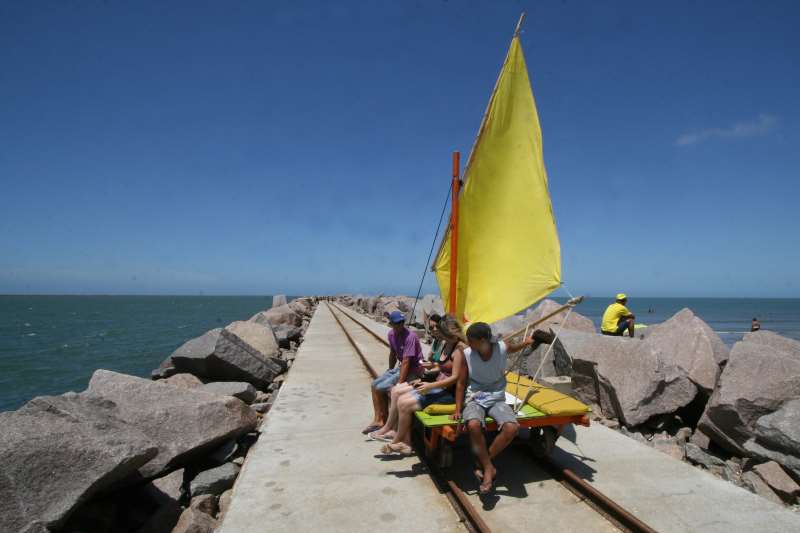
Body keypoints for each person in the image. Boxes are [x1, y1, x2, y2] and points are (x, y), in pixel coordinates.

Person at [454, 322, 541, 495]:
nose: (468, 344)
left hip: (496, 397)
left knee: (512, 428)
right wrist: (457, 409)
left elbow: (515, 348)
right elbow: (461, 383)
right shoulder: (467, 354)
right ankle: (489, 469)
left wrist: (529, 341)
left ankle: (483, 464)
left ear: (484, 340)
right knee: (472, 425)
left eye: (471, 341)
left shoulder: (502, 347)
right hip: (474, 397)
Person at [375, 314, 467, 455]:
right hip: (438, 387)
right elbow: (444, 367)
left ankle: (398, 441)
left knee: (404, 403)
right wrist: (432, 368)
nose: (436, 332)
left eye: (439, 330)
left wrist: (430, 386)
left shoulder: (459, 349)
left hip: (448, 394)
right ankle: (402, 440)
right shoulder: (446, 344)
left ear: (447, 332)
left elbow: (455, 378)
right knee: (400, 398)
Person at [362, 310, 423, 434]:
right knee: (374, 385)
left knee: (383, 387)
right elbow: (393, 353)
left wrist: (399, 382)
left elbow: (406, 361)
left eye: (401, 322)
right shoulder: (391, 334)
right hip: (401, 367)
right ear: (391, 324)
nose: (400, 325)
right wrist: (390, 370)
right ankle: (378, 419)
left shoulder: (410, 337)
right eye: (397, 323)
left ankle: (386, 420)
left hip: (414, 369)